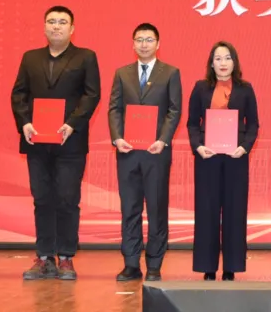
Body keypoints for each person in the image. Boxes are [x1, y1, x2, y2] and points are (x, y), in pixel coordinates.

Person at [11, 6, 101, 280]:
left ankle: (66, 257)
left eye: (62, 22)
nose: (56, 26)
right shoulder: (30, 58)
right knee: (41, 199)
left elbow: (91, 95)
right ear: (44, 27)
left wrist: (72, 123)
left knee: (67, 198)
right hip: (37, 141)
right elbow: (19, 94)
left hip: (69, 142)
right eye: (51, 21)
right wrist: (25, 122)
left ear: (72, 29)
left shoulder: (85, 57)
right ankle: (44, 257)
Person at [107, 23, 182, 282]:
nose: (144, 44)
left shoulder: (170, 72)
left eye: (149, 40)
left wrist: (163, 140)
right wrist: (117, 137)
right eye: (139, 39)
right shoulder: (122, 73)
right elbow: (114, 108)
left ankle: (154, 264)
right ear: (133, 44)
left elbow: (174, 110)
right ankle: (130, 263)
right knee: (130, 208)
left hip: (156, 152)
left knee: (157, 208)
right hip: (128, 151)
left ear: (158, 44)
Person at [187, 41, 259, 281]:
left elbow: (253, 124)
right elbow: (192, 123)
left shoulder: (245, 89)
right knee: (206, 210)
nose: (223, 63)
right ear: (211, 63)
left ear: (234, 62)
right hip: (207, 158)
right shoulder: (200, 88)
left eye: (227, 58)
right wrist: (198, 146)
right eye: (218, 58)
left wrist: (244, 147)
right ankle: (207, 267)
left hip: (235, 158)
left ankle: (231, 267)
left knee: (234, 211)